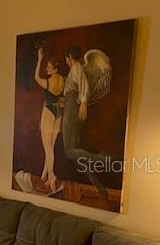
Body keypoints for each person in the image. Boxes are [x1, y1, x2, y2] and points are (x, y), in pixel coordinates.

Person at [61, 45, 108, 199]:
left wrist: (83, 103)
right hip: (70, 107)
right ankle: (97, 184)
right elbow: (73, 90)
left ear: (70, 57)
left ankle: (103, 158)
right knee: (74, 155)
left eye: (66, 58)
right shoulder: (75, 69)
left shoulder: (76, 67)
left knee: (69, 152)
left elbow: (83, 86)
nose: (66, 61)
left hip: (72, 110)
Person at [34, 47, 64, 194]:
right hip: (58, 112)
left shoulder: (49, 81)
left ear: (55, 69)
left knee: (48, 147)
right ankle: (44, 175)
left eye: (49, 67)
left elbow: (36, 78)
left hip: (48, 111)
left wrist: (39, 59)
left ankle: (51, 177)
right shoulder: (63, 80)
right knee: (50, 146)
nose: (46, 69)